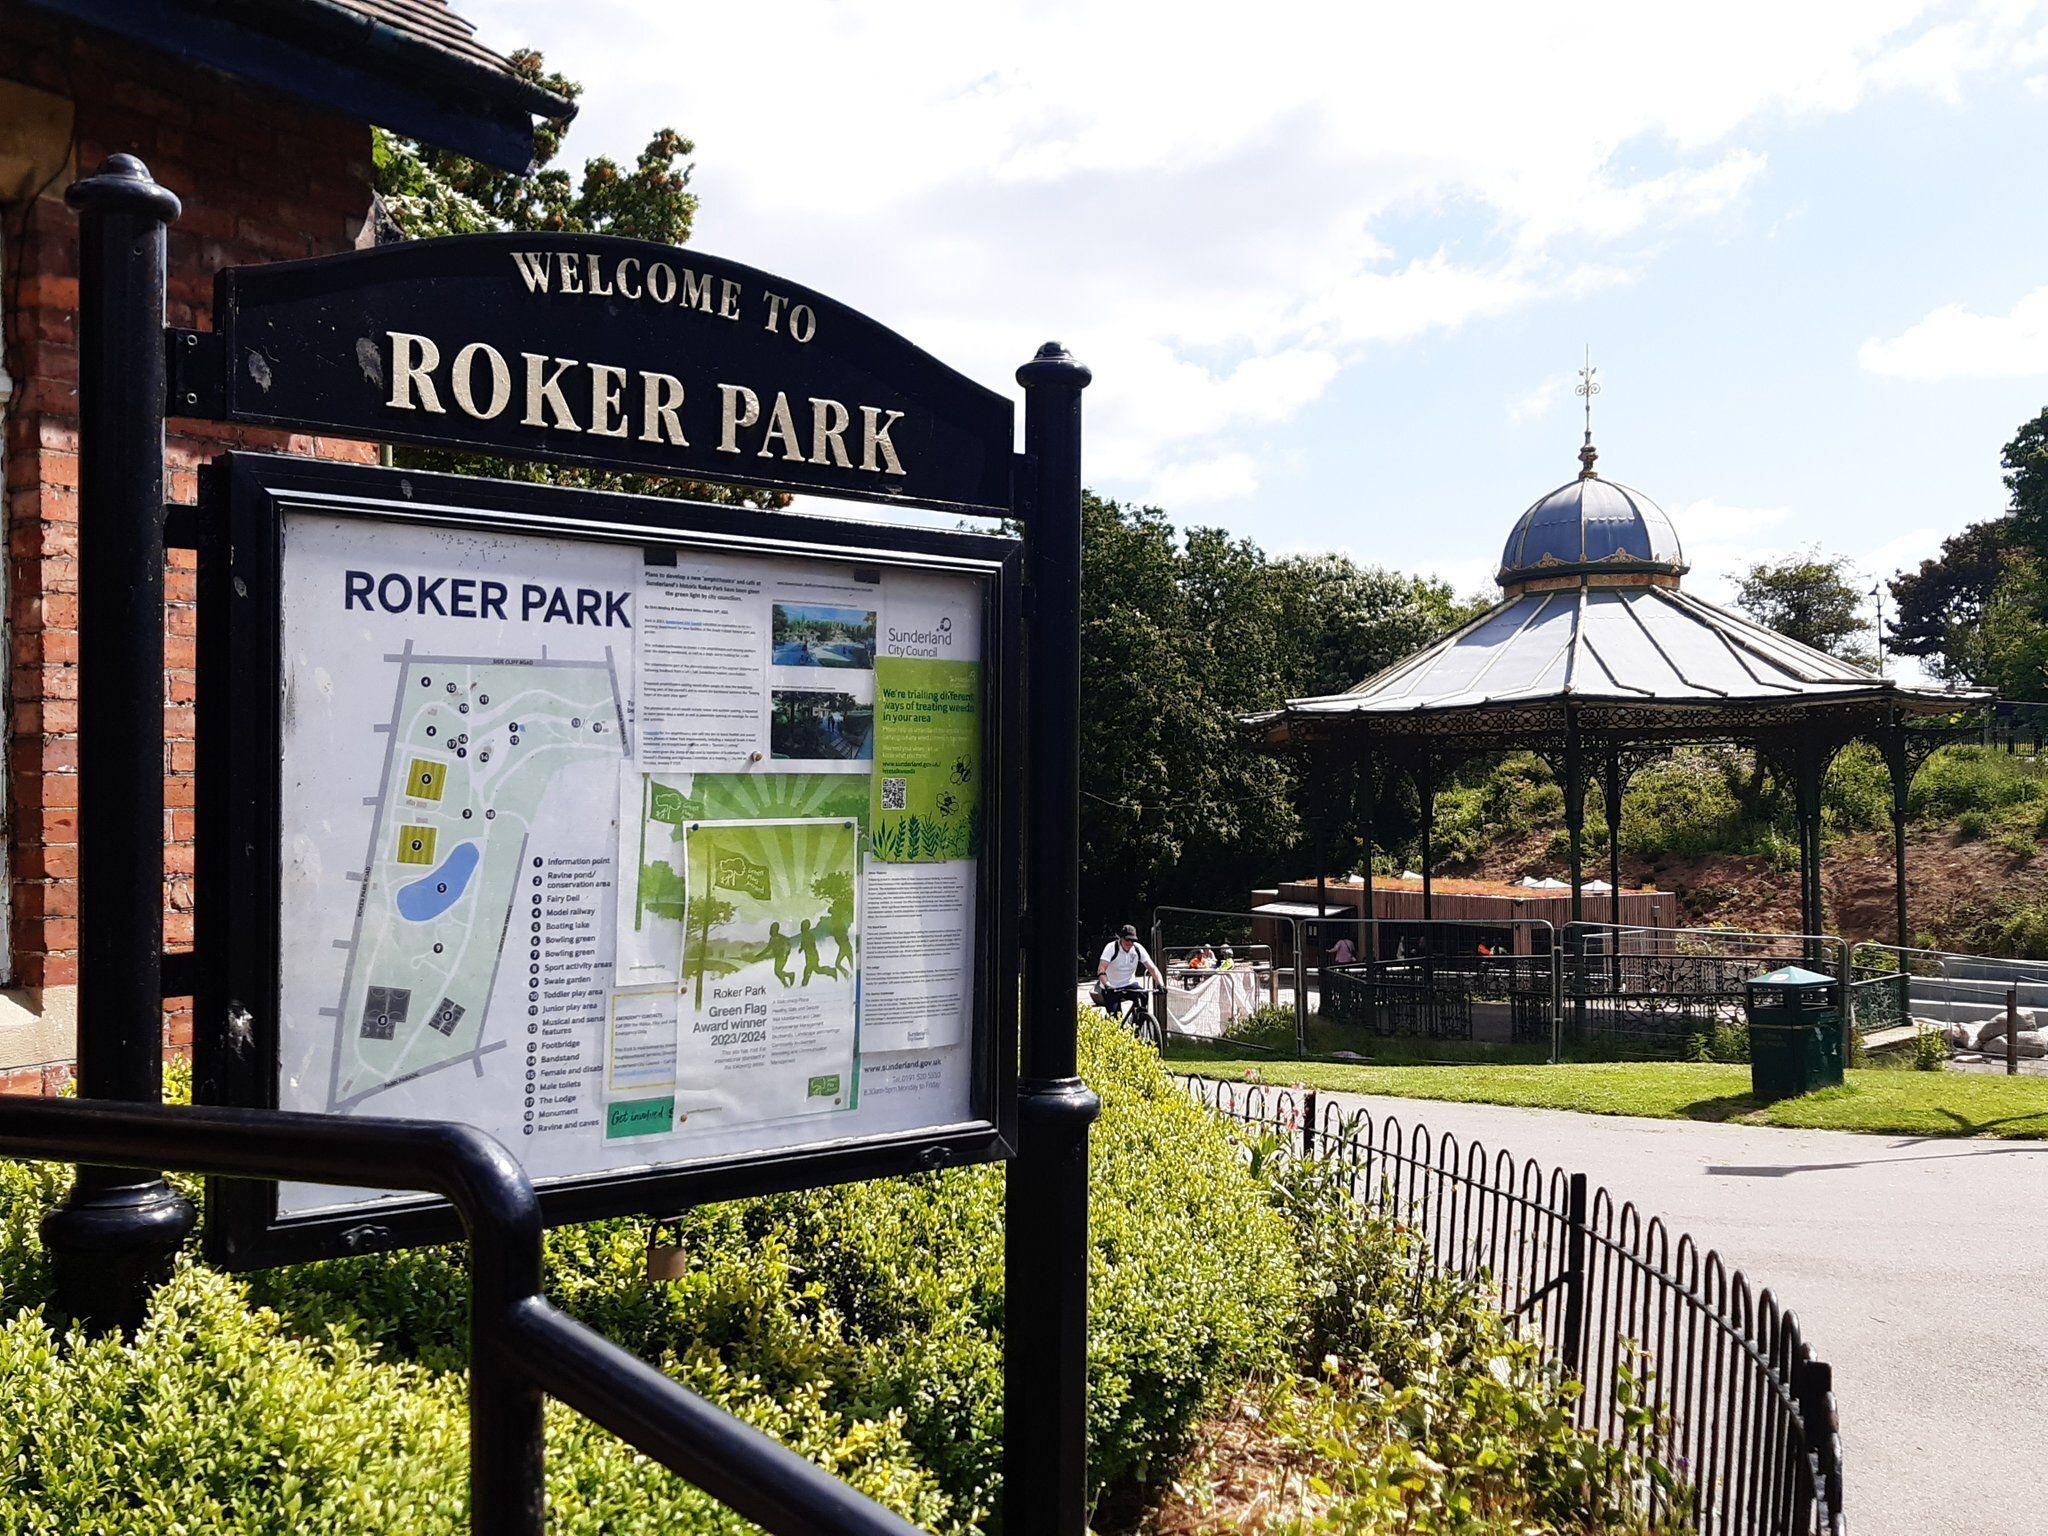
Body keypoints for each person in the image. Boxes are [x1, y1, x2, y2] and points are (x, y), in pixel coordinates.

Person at [1096, 924, 1164, 1028]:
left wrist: (1161, 984)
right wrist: (1107, 985)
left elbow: (1152, 968)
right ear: (1121, 938)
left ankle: (1137, 1026)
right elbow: (1101, 969)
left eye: (1132, 940)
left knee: (1143, 995)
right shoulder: (1111, 948)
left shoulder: (1137, 949)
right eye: (1127, 940)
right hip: (1111, 986)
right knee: (1115, 1021)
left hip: (1129, 983)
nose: (1130, 943)